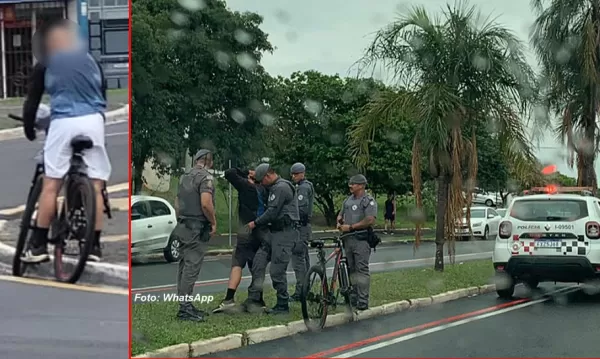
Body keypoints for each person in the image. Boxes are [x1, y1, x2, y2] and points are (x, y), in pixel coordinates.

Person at [21, 19, 110, 263]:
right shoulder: (92, 61)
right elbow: (102, 96)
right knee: (96, 185)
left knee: (51, 184)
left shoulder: (45, 64)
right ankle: (93, 246)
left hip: (63, 122)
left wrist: (29, 130)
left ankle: (38, 246)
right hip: (93, 121)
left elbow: (31, 103)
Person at [247, 163, 302, 314]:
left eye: (261, 180)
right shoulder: (272, 187)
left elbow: (272, 211)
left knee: (277, 270)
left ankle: (282, 303)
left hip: (285, 233)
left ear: (268, 176)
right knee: (258, 263)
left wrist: (255, 223)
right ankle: (254, 298)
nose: (261, 184)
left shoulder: (281, 188)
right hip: (273, 232)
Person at [212, 167, 266, 313]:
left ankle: (229, 298)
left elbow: (229, 173)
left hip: (245, 231)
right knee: (256, 265)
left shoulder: (246, 186)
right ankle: (258, 299)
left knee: (237, 263)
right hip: (259, 231)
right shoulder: (263, 189)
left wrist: (245, 171)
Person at [171, 149, 217, 321]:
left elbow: (177, 201)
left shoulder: (184, 176)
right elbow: (206, 203)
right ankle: (185, 308)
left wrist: (180, 219)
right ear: (208, 161)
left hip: (183, 224)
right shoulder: (206, 177)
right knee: (192, 267)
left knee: (183, 266)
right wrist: (213, 222)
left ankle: (185, 303)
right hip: (196, 227)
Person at [336, 174, 377, 311]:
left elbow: (370, 219)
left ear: (361, 185)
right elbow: (341, 214)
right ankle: (353, 298)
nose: (350, 186)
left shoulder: (368, 200)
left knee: (361, 270)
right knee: (351, 269)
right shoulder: (348, 201)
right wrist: (339, 221)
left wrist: (351, 227)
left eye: (353, 184)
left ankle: (363, 300)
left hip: (361, 239)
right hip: (348, 239)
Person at [289, 162, 314, 301]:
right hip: (303, 227)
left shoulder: (303, 188)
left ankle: (301, 291)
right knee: (303, 259)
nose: (294, 176)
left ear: (302, 173)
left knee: (299, 260)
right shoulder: (303, 186)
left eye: (296, 174)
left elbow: (301, 210)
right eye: (293, 174)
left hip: (300, 227)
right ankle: (305, 288)